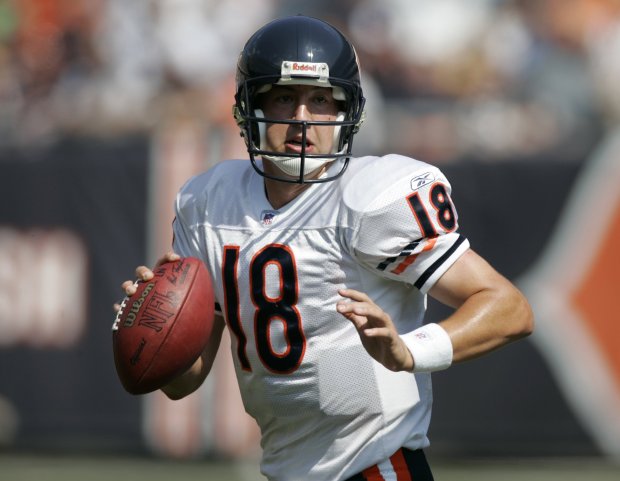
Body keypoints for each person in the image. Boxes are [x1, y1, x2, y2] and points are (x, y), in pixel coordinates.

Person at [117, 15, 533, 481]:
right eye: (284, 97)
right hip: (285, 470)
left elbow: (509, 309)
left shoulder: (371, 197)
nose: (301, 119)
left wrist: (409, 351)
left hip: (377, 466)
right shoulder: (209, 204)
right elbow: (184, 382)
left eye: (320, 100)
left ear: (345, 112)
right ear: (249, 108)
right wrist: (154, 328)